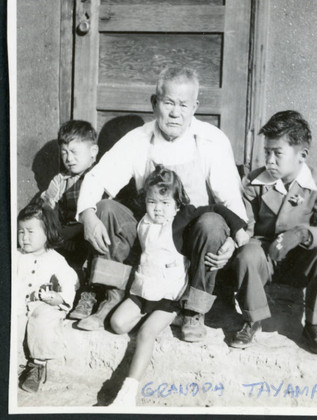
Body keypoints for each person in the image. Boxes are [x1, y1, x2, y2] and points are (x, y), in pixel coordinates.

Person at [76, 66, 247, 340]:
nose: (175, 113)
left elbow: (230, 199)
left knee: (213, 223)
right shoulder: (140, 138)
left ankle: (194, 310)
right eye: (168, 103)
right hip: (150, 237)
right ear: (155, 103)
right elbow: (98, 177)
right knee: (105, 209)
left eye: (183, 105)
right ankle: (110, 295)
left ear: (195, 107)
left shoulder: (210, 140)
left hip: (191, 240)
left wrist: (234, 240)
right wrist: (87, 214)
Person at [108, 165, 249, 406]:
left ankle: (128, 392)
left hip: (168, 297)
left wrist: (237, 230)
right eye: (152, 202)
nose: (158, 209)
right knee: (117, 324)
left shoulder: (182, 218)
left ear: (176, 203)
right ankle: (159, 317)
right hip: (143, 291)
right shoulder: (144, 221)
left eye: (165, 203)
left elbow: (216, 208)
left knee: (146, 334)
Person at [229, 111, 317, 354]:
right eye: (267, 152)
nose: (270, 160)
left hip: (298, 261)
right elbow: (246, 227)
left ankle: (314, 325)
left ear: (301, 155)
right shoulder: (254, 182)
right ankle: (253, 318)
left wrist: (301, 234)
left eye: (277, 153)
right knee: (248, 252)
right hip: (265, 260)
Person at [17, 202, 78, 393]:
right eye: (20, 232)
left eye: (30, 231)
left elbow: (70, 282)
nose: (24, 238)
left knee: (43, 320)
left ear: (47, 233)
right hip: (19, 303)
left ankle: (37, 365)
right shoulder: (16, 255)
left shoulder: (56, 260)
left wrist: (60, 298)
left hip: (43, 304)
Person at [41, 120, 99, 320]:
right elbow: (47, 204)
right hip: (64, 235)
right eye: (64, 152)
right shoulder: (60, 180)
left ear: (93, 151)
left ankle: (89, 294)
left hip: (87, 234)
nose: (69, 158)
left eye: (75, 152)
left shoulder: (100, 176)